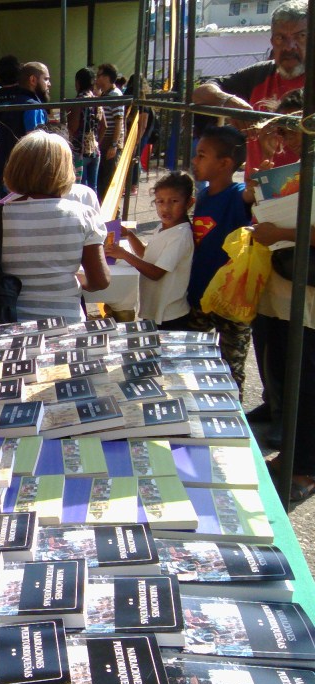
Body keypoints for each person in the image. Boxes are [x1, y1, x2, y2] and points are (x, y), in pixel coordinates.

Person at [0, 131, 110, 322]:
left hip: (10, 323)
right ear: (66, 170)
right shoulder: (85, 216)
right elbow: (100, 280)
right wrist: (71, 280)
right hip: (66, 324)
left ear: (15, 167)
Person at [252, 90, 315, 502]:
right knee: (280, 368)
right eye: (282, 129)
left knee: (307, 378)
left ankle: (306, 468)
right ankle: (289, 448)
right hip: (280, 285)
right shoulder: (283, 166)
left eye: (294, 129)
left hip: (307, 293)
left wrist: (282, 233)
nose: (286, 137)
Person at [193, 0, 308, 173]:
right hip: (258, 192)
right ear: (272, 41)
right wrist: (228, 101)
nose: (289, 46)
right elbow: (199, 93)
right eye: (280, 37)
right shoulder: (259, 74)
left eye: (301, 36)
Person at [187, 125, 253, 392]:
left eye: (202, 155)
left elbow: (252, 192)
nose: (194, 160)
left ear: (225, 163)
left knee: (230, 370)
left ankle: (233, 427)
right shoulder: (202, 196)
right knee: (192, 361)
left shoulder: (238, 195)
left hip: (232, 299)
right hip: (201, 295)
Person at [104, 171, 195, 329]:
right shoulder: (162, 228)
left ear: (189, 203)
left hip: (169, 314)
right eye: (160, 201)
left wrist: (124, 254)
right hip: (154, 309)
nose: (166, 207)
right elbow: (147, 255)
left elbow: (155, 273)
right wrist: (130, 235)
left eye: (174, 201)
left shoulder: (180, 235)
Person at [0, 61, 49, 196]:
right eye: (46, 79)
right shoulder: (32, 107)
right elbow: (35, 145)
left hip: (4, 170)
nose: (49, 84)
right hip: (23, 176)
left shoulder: (12, 103)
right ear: (33, 80)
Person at [67, 67, 104, 194]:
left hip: (80, 151)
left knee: (80, 189)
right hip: (95, 151)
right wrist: (97, 141)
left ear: (78, 82)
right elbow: (104, 126)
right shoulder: (96, 100)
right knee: (93, 188)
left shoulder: (79, 101)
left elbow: (73, 127)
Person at [95, 63, 125, 199]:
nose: (96, 79)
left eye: (99, 75)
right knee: (102, 180)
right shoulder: (105, 94)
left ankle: (113, 216)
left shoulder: (115, 94)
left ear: (107, 77)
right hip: (104, 142)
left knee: (108, 182)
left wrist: (114, 145)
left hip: (110, 144)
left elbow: (119, 120)